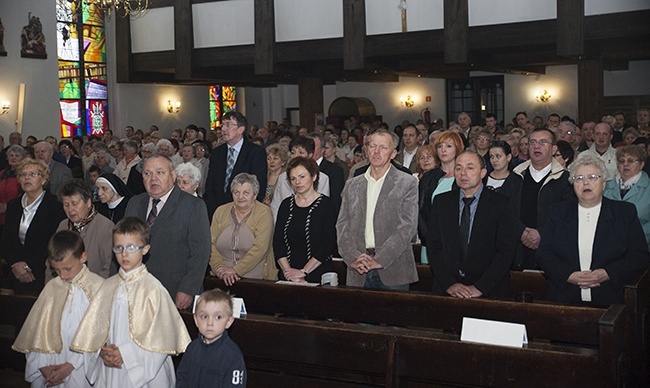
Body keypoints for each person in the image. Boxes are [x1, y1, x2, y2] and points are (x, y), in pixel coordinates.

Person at [70, 217, 191, 386]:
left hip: (144, 371)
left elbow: (160, 342)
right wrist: (101, 353)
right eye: (118, 248)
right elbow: (95, 332)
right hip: (111, 368)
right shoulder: (107, 287)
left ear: (145, 249)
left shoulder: (154, 289)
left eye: (131, 247)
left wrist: (125, 354)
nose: (124, 254)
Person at [537, 155, 649, 307]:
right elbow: (544, 253)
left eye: (593, 177)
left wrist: (606, 273)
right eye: (579, 178)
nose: (586, 182)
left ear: (603, 184)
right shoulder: (558, 212)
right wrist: (569, 275)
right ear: (573, 184)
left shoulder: (624, 212)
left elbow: (639, 255)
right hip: (564, 297)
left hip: (611, 299)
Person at [12, 231, 103, 388]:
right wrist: (44, 367)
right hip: (49, 366)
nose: (62, 275)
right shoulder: (52, 287)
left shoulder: (98, 288)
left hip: (80, 370)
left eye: (67, 268)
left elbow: (98, 336)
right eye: (57, 270)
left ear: (83, 257)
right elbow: (37, 332)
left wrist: (70, 365)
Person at [125, 154, 211, 309]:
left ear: (173, 175)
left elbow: (200, 252)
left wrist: (188, 289)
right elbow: (123, 245)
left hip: (174, 290)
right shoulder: (135, 203)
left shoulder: (193, 206)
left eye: (160, 172)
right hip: (138, 290)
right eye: (147, 173)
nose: (153, 178)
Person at [426, 151, 517, 298]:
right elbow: (434, 247)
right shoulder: (441, 202)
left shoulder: (500, 204)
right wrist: (450, 284)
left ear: (482, 172)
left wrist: (481, 287)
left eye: (470, 168)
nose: (463, 173)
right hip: (447, 289)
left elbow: (506, 252)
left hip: (488, 290)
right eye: (458, 168)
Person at [337, 129, 419, 290]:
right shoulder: (352, 184)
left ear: (393, 153)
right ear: (366, 150)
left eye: (383, 147)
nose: (376, 151)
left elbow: (407, 228)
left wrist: (380, 259)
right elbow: (342, 225)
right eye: (372, 146)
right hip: (358, 266)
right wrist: (352, 257)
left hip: (393, 268)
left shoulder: (407, 183)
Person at [0, 158, 66, 294]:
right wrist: (16, 265)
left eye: (32, 174)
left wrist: (28, 266)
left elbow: (54, 243)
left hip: (44, 272)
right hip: (16, 273)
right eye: (23, 175)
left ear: (43, 180)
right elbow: (6, 240)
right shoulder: (14, 205)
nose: (26, 178)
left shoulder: (55, 206)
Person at [512, 128, 574, 269]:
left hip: (552, 252)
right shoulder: (516, 176)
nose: (536, 146)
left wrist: (542, 233)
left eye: (543, 142)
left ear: (553, 149)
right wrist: (521, 231)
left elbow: (567, 215)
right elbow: (505, 210)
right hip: (518, 250)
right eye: (532, 142)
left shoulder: (565, 180)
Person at [274, 157, 335, 283]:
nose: (298, 182)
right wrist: (289, 272)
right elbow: (278, 241)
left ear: (314, 176)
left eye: (302, 177)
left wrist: (303, 272)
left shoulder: (327, 205)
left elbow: (328, 243)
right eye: (293, 178)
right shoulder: (286, 204)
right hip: (287, 275)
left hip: (317, 273)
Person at [211, 173, 276, 284]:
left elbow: (261, 248)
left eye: (246, 192)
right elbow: (210, 244)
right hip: (221, 277)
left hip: (256, 280)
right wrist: (219, 268)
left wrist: (235, 270)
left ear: (254, 195)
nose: (240, 197)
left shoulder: (264, 213)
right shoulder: (220, 211)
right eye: (236, 192)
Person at [176, 288, 246, 387]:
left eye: (218, 317)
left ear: (229, 322)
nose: (210, 323)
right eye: (204, 316)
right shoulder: (192, 348)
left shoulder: (233, 355)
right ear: (196, 320)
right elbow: (182, 377)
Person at [203, 111, 267, 219]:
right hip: (217, 212)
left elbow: (258, 185)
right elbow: (210, 185)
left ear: (241, 129)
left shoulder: (256, 152)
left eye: (228, 125)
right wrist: (216, 209)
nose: (223, 129)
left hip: (245, 212)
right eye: (222, 125)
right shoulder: (217, 153)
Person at [418, 131, 464, 263]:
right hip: (431, 242)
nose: (443, 150)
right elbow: (420, 211)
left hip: (457, 244)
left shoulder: (464, 176)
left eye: (449, 146)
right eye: (440, 146)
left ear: (457, 149)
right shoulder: (429, 177)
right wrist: (430, 239)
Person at [54, 179, 114, 279]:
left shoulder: (106, 227)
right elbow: (52, 262)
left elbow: (109, 269)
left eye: (75, 203)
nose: (70, 209)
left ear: (88, 202)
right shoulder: (63, 226)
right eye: (66, 205)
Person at [269, 136, 330, 220]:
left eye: (301, 152)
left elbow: (323, 207)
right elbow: (276, 206)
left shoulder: (322, 178)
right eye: (293, 153)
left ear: (310, 155)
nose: (296, 156)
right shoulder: (282, 177)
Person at [603, 145, 650, 250]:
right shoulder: (605, 187)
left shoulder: (648, 188)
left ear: (642, 164)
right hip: (609, 245)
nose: (625, 164)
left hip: (641, 245)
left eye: (631, 160)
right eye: (621, 161)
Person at [485, 141, 523, 212]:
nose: (494, 160)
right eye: (491, 157)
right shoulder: (483, 178)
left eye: (498, 156)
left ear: (508, 157)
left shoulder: (516, 181)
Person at [0, 145, 25, 230]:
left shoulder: (24, 175)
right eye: (11, 155)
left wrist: (8, 206)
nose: (13, 158)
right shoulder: (2, 174)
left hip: (16, 215)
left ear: (22, 158)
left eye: (17, 156)